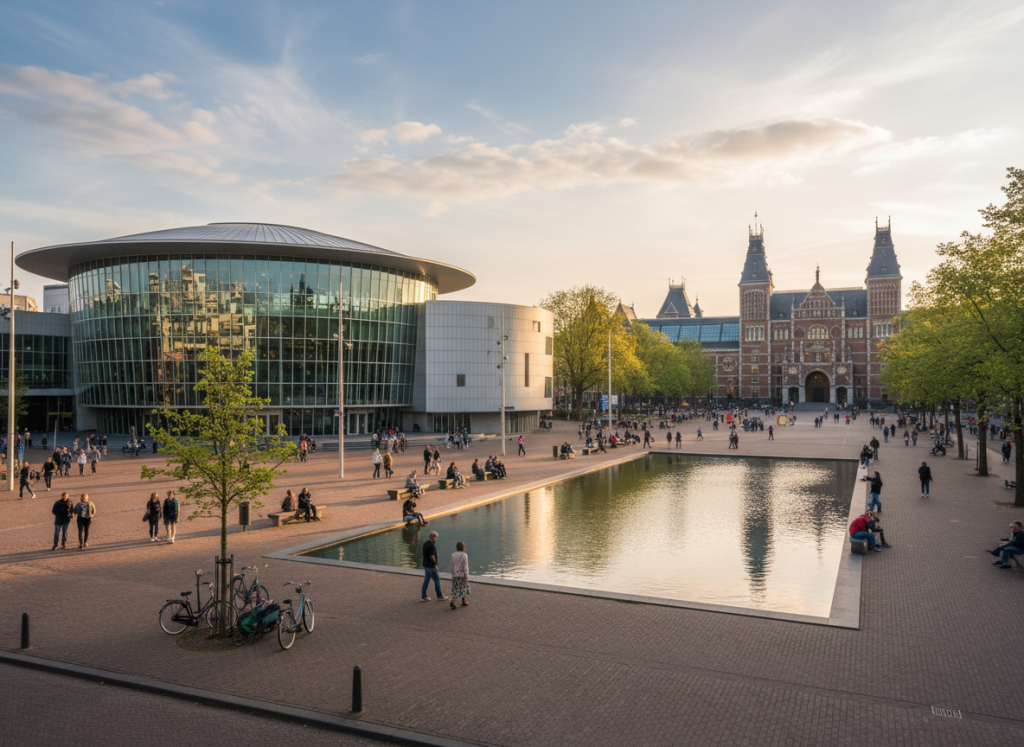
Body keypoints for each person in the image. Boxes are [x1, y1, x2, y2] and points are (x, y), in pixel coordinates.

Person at [420, 531, 446, 601]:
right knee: (437, 580)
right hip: (431, 566)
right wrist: (436, 564)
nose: (436, 539)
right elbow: (432, 556)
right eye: (436, 537)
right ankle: (439, 596)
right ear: (434, 537)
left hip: (426, 565)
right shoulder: (432, 545)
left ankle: (423, 596)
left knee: (426, 581)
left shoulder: (425, 543)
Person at [449, 541, 471, 609]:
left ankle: (464, 600)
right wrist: (466, 576)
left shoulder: (453, 555)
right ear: (463, 547)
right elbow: (465, 566)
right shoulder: (464, 555)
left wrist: (452, 574)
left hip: (455, 574)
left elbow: (452, 565)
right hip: (462, 574)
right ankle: (453, 601)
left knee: (456, 588)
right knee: (464, 587)